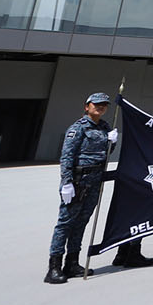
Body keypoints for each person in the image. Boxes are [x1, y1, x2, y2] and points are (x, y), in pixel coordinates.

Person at [44, 92, 115, 284]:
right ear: (87, 106)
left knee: (82, 221)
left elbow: (105, 154)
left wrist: (112, 142)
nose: (100, 108)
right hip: (78, 180)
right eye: (96, 104)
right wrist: (66, 182)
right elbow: (67, 156)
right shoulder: (78, 128)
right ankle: (54, 267)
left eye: (104, 105)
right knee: (65, 223)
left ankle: (72, 262)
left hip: (95, 178)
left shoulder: (104, 127)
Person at [110, 101, 153, 269]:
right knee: (136, 214)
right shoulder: (146, 131)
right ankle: (130, 253)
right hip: (140, 178)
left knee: (138, 214)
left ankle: (124, 252)